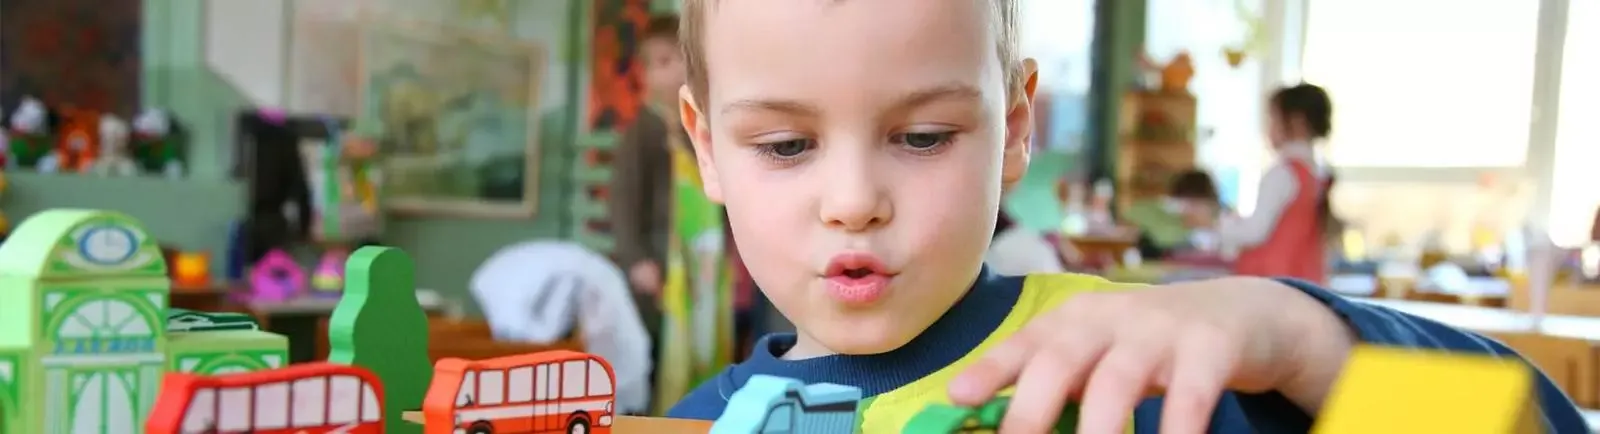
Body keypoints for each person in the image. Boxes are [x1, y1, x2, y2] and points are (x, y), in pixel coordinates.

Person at [664, 1, 1587, 432]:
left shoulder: (1141, 369)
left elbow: (1528, 425)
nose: (854, 201)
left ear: (1015, 130)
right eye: (786, 146)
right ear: (706, 147)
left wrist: (1299, 342)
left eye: (925, 135)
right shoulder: (696, 423)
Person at [1220, 83, 1338, 284]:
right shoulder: (1316, 174)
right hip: (1301, 283)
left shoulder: (1283, 174)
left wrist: (1221, 225)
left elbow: (1254, 232)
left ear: (1296, 122)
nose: (1268, 128)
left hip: (1270, 285)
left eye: (1272, 119)